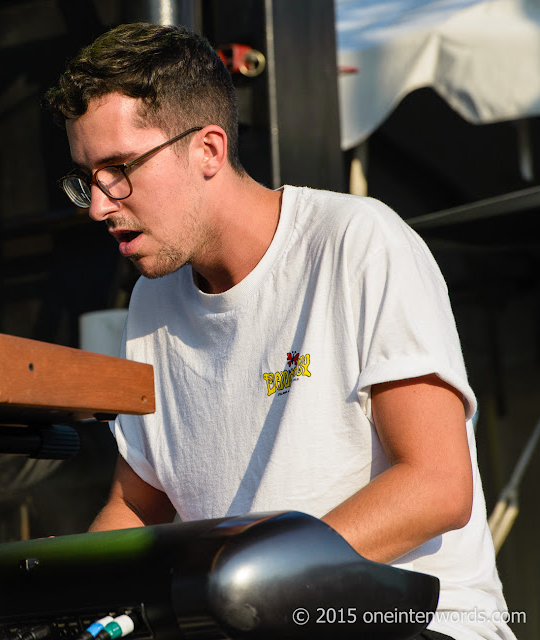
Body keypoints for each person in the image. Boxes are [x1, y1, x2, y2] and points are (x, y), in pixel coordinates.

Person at [44, 22, 515, 640]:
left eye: (119, 169)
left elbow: (436, 484)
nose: (100, 206)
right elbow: (137, 504)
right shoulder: (151, 301)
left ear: (208, 150)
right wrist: (70, 602)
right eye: (87, 178)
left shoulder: (357, 242)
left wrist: (257, 574)